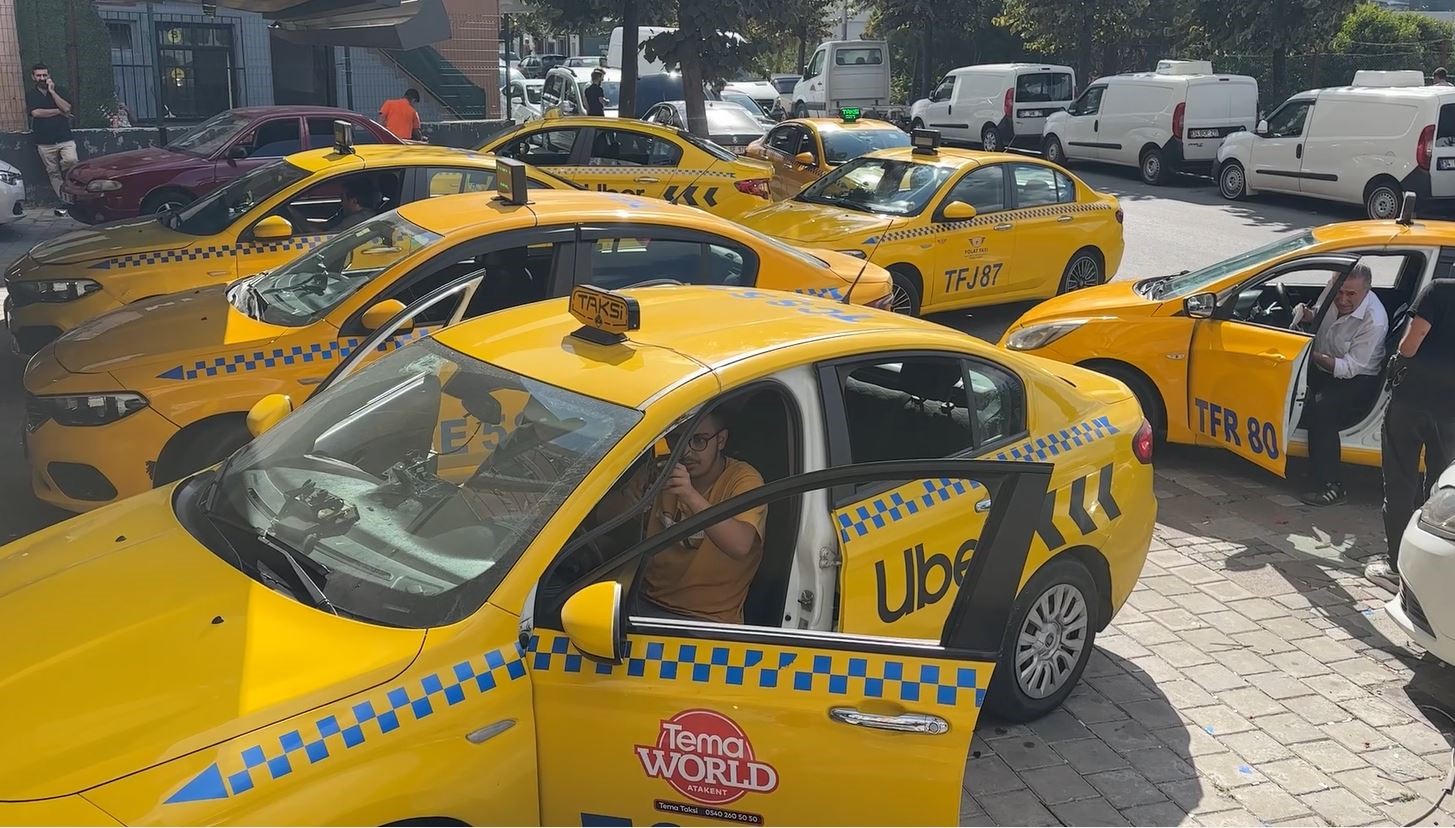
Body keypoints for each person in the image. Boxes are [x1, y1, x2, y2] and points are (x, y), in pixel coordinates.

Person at [634, 408, 766, 624]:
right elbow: (601, 519)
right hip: (645, 604)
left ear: (721, 440)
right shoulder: (660, 470)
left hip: (707, 620)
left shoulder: (743, 480)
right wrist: (633, 500)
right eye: (676, 439)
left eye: (698, 441)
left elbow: (740, 545)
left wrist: (689, 495)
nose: (685, 451)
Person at [1368, 279, 1455, 591]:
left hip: (1413, 401)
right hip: (1451, 413)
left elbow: (1410, 345)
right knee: (1442, 490)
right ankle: (1434, 569)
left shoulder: (1439, 290)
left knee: (1400, 480)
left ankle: (1396, 566)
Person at [1294, 264, 1389, 506]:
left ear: (1366, 291)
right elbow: (1319, 312)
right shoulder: (1333, 292)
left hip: (1358, 377)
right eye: (1339, 292)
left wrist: (1309, 353)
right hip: (1324, 362)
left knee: (1323, 411)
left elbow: (1350, 367)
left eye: (1351, 295)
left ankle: (1332, 485)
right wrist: (1306, 315)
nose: (1342, 300)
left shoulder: (1374, 320)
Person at [26, 63, 76, 217]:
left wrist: (53, 92)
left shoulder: (60, 90)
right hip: (44, 141)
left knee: (71, 161)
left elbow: (67, 108)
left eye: (44, 75)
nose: (42, 78)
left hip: (64, 138)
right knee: (53, 172)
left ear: (49, 75)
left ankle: (75, 195)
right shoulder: (31, 94)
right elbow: (36, 113)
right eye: (39, 75)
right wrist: (59, 111)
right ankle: (65, 201)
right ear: (33, 77)